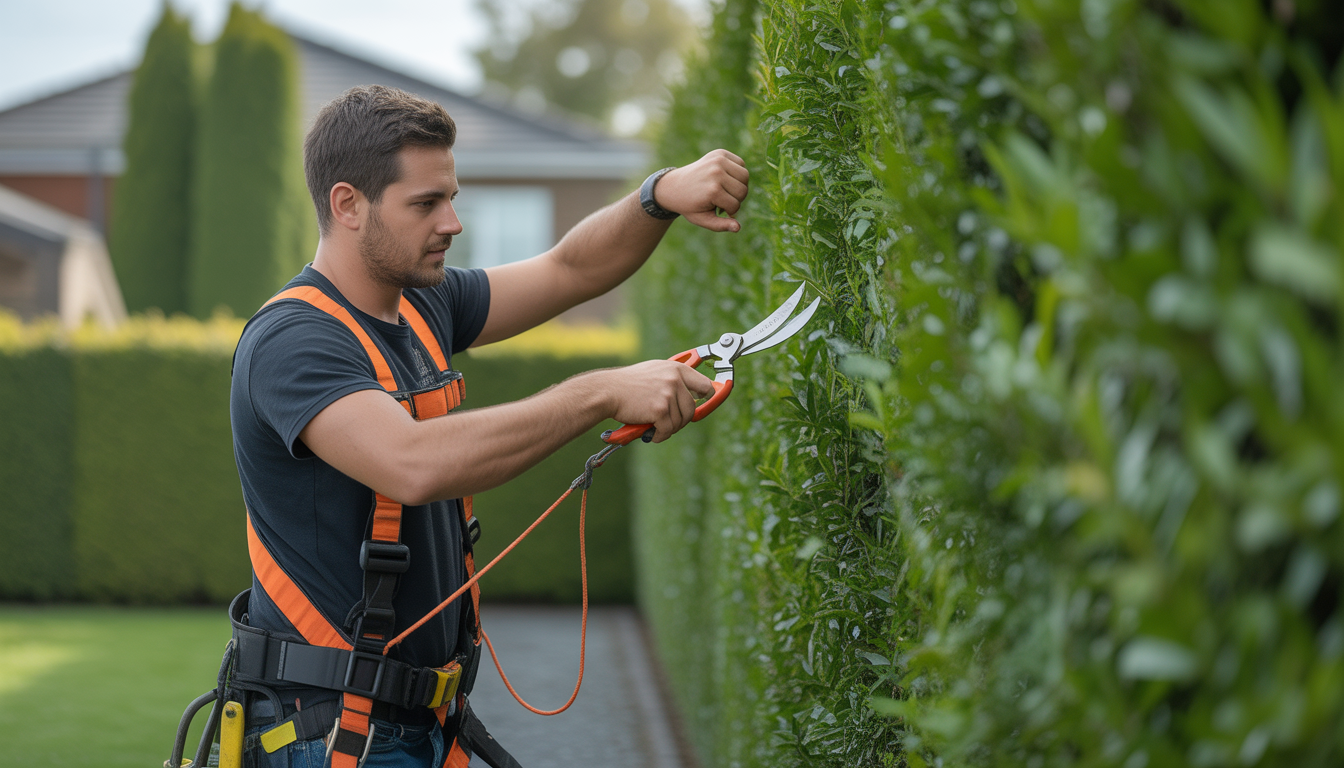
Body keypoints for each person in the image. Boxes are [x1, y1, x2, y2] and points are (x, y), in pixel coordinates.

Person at [226, 84, 748, 768]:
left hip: (421, 721)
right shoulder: (294, 341)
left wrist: (656, 197)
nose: (452, 222)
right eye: (425, 204)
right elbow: (411, 462)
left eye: (451, 198)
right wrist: (598, 392)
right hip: (332, 734)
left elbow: (569, 268)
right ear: (347, 204)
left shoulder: (421, 305)